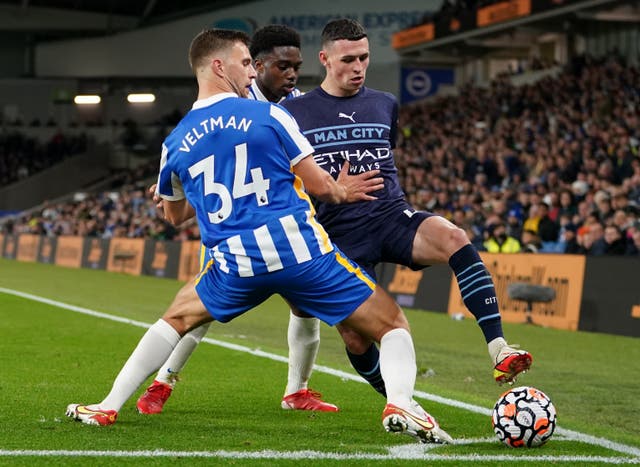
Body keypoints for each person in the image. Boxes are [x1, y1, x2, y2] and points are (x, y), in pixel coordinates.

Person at [66, 28, 453, 444]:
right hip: (299, 253)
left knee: (176, 319)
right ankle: (399, 402)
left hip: (234, 264)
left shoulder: (174, 142)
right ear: (218, 66)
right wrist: (342, 189)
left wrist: (174, 197)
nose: (252, 72)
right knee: (392, 324)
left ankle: (107, 406)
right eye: (246, 62)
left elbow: (175, 216)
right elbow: (321, 187)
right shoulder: (272, 116)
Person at [279, 18, 532, 396]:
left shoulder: (385, 103)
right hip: (337, 236)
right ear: (325, 59)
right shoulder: (293, 114)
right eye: (348, 59)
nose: (358, 67)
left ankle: (499, 349)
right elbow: (285, 180)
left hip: (390, 217)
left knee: (454, 237)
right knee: (355, 337)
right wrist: (334, 189)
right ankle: (397, 400)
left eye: (364, 58)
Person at [135, 25, 342, 415]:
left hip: (284, 221)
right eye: (283, 67)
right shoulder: (232, 104)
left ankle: (297, 390)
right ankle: (162, 381)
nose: (292, 75)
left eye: (297, 66)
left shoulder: (294, 105)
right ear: (255, 66)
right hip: (234, 230)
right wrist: (175, 190)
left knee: (304, 306)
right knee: (201, 312)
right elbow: (205, 172)